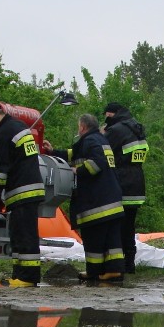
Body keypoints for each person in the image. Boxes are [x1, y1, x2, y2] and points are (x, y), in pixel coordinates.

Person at [45, 114, 125, 282]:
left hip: (97, 203)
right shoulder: (99, 139)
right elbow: (73, 154)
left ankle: (94, 272)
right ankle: (114, 270)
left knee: (93, 238)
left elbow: (97, 162)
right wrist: (53, 152)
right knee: (112, 239)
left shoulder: (90, 141)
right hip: (112, 200)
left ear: (82, 127)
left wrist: (77, 171)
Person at [0, 100, 45, 288]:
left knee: (25, 236)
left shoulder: (5, 132)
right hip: (30, 189)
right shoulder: (17, 125)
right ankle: (20, 276)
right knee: (19, 234)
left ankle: (27, 278)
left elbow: (0, 171)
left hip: (22, 191)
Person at [102, 102, 148, 273]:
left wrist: (102, 134)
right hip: (136, 183)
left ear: (111, 114)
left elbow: (101, 150)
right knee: (129, 227)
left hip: (121, 182)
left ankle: (118, 264)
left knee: (116, 227)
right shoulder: (138, 129)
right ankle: (130, 263)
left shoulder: (116, 130)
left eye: (106, 115)